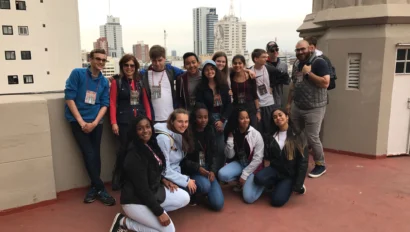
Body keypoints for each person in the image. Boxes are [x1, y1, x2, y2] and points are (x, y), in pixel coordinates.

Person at [109, 116, 190, 232]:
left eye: (147, 127)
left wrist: (163, 179)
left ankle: (148, 214)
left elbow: (153, 168)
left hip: (152, 191)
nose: (145, 131)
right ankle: (124, 222)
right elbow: (142, 189)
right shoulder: (134, 155)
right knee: (169, 230)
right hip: (135, 200)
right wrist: (159, 212)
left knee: (184, 197)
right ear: (134, 131)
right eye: (140, 129)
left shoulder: (150, 144)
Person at [64, 48, 115, 206]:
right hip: (78, 121)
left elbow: (105, 104)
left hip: (96, 122)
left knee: (95, 153)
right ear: (90, 59)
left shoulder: (104, 81)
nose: (100, 62)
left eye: (103, 60)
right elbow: (69, 98)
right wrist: (81, 122)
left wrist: (94, 123)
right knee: (88, 153)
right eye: (97, 59)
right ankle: (100, 188)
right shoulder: (77, 74)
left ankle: (94, 188)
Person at [286, 40, 330, 178]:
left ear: (310, 49)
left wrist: (308, 74)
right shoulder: (296, 64)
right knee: (297, 134)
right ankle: (301, 159)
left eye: (302, 49)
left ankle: (320, 164)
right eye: (297, 50)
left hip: (314, 107)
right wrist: (288, 103)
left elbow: (325, 83)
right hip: (298, 105)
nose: (300, 52)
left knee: (312, 137)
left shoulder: (319, 62)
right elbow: (294, 84)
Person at [109, 54, 150, 191]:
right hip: (124, 121)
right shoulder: (117, 82)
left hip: (139, 120)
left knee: (141, 149)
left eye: (132, 65)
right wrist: (114, 122)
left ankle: (139, 177)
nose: (129, 68)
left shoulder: (140, 81)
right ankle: (121, 178)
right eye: (126, 65)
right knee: (124, 150)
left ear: (136, 67)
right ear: (122, 66)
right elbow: (113, 103)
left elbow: (145, 101)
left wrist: (148, 119)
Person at [254, 108, 308, 207]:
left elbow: (303, 162)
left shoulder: (298, 135)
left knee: (277, 201)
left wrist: (298, 184)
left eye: (280, 115)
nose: (278, 118)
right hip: (275, 170)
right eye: (275, 117)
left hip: (289, 175)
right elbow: (268, 157)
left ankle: (293, 187)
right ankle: (278, 184)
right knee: (258, 179)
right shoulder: (271, 136)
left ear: (287, 117)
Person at [180, 103, 225, 211]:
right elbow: (183, 160)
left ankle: (206, 190)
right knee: (205, 186)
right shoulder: (188, 133)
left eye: (205, 117)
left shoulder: (210, 130)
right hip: (194, 170)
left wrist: (213, 170)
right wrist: (197, 168)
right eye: (200, 117)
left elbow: (214, 153)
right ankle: (194, 193)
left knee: (218, 204)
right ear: (194, 118)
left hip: (208, 169)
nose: (203, 120)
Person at [218, 108, 264, 204]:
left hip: (254, 167)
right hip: (241, 163)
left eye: (247, 117)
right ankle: (243, 181)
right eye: (242, 118)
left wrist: (245, 174)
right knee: (222, 174)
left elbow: (258, 158)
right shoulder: (234, 133)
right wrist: (230, 140)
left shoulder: (255, 134)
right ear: (237, 120)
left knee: (248, 198)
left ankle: (262, 184)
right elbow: (230, 155)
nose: (245, 120)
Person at [154, 109, 197, 201]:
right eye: (180, 121)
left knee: (199, 187)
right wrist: (186, 180)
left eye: (186, 122)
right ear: (172, 121)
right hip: (162, 176)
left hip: (175, 172)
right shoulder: (163, 138)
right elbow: (163, 168)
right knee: (188, 194)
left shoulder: (181, 133)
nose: (184, 125)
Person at [196, 60, 232, 164]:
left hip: (223, 118)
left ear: (215, 70)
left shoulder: (223, 85)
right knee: (211, 146)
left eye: (212, 69)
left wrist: (222, 120)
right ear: (203, 72)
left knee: (221, 146)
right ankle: (211, 170)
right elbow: (200, 105)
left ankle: (220, 170)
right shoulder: (201, 88)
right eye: (206, 70)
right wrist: (212, 120)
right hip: (208, 119)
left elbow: (229, 104)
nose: (209, 71)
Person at [141, 45, 185, 123]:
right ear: (151, 60)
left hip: (171, 117)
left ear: (164, 58)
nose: (157, 63)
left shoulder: (171, 70)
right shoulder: (145, 73)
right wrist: (115, 77)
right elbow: (132, 74)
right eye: (154, 61)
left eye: (160, 60)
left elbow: (188, 74)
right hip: (154, 118)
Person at [250, 48, 289, 134]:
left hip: (269, 104)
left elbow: (286, 78)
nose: (266, 59)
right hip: (256, 106)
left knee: (270, 129)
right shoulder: (250, 71)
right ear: (256, 59)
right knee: (258, 131)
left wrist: (272, 85)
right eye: (263, 57)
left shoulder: (269, 69)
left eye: (266, 57)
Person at [230, 55, 260, 129]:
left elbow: (255, 95)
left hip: (250, 107)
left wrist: (258, 111)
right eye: (235, 63)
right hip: (236, 107)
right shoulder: (230, 76)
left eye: (240, 63)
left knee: (252, 129)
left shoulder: (250, 76)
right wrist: (247, 69)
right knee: (237, 130)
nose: (237, 65)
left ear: (244, 64)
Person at [266, 41, 290, 107]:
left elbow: (287, 80)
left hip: (279, 97)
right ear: (267, 52)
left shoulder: (283, 65)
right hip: (267, 99)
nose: (275, 52)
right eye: (272, 50)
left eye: (276, 49)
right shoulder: (264, 65)